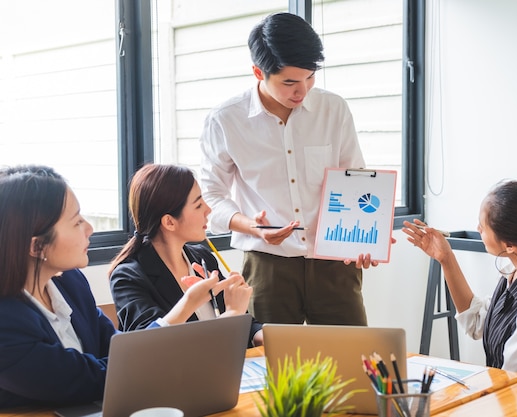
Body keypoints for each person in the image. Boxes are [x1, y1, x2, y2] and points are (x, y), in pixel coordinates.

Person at [199, 12, 377, 326]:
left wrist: (365, 237)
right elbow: (211, 195)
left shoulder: (333, 109)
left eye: (310, 77)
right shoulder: (226, 120)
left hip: (334, 262)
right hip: (268, 267)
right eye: (289, 82)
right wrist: (251, 226)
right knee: (272, 367)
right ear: (258, 72)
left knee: (351, 364)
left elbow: (355, 182)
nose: (302, 90)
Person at [0, 165, 222, 409]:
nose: (89, 229)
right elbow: (93, 378)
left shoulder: (71, 282)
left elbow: (121, 351)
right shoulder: (7, 322)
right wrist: (187, 306)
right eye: (76, 223)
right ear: (36, 246)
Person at [403, 180, 517, 384]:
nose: (477, 228)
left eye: (483, 225)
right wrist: (446, 258)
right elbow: (477, 322)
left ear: (509, 244)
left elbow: (515, 389)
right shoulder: (513, 276)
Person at [109, 164, 263, 347]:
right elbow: (151, 347)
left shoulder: (202, 258)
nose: (208, 210)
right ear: (169, 222)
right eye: (198, 205)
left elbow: (247, 326)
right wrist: (232, 314)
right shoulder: (128, 277)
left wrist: (270, 337)